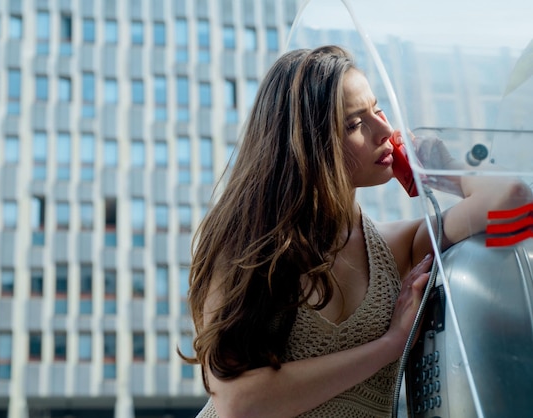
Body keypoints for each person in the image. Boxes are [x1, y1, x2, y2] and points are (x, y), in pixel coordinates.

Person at [183, 45, 531, 418]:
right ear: (308, 144)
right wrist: (389, 345)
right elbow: (240, 403)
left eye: (377, 110)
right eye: (354, 124)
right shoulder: (246, 246)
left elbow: (515, 200)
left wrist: (442, 171)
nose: (384, 130)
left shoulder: (398, 248)